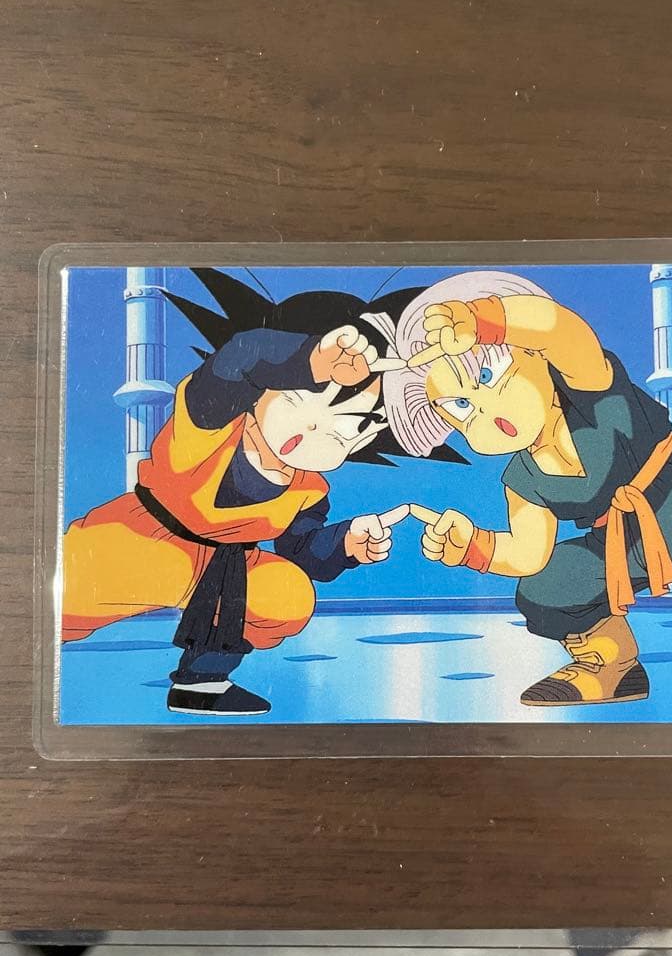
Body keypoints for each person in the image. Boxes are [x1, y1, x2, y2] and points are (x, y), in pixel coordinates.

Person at [61, 269, 463, 717]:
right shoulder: (209, 422)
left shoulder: (309, 489)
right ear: (261, 391)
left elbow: (302, 550)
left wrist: (346, 542)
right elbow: (239, 360)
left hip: (222, 573)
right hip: (134, 544)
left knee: (287, 592)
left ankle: (202, 683)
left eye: (349, 425)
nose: (313, 428)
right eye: (298, 397)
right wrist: (314, 358)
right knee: (55, 605)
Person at [384, 270, 672, 706]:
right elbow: (528, 554)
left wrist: (483, 319)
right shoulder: (522, 478)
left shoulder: (588, 388)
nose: (486, 409)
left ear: (532, 353)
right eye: (461, 405)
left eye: (487, 375)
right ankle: (612, 666)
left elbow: (560, 330)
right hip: (624, 541)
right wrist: (474, 547)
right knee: (546, 585)